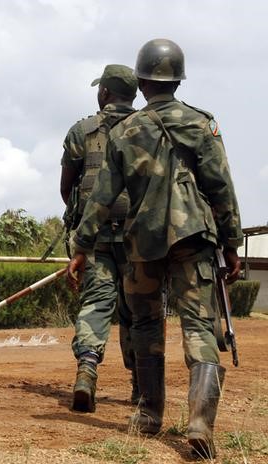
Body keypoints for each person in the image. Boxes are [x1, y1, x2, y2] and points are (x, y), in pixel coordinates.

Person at [67, 39, 242, 459]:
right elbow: (221, 188)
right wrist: (232, 244)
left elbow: (102, 197)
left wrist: (82, 245)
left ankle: (148, 414)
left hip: (142, 242)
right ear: (177, 80)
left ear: (142, 81)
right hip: (193, 238)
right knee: (200, 328)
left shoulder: (125, 131)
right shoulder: (203, 124)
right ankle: (201, 423)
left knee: (145, 326)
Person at [60, 64, 138, 413]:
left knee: (95, 303)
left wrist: (83, 220)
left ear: (104, 92)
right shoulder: (148, 128)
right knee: (141, 311)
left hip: (96, 237)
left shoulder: (82, 131)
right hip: (140, 238)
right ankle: (141, 386)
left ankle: (87, 371)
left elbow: (67, 186)